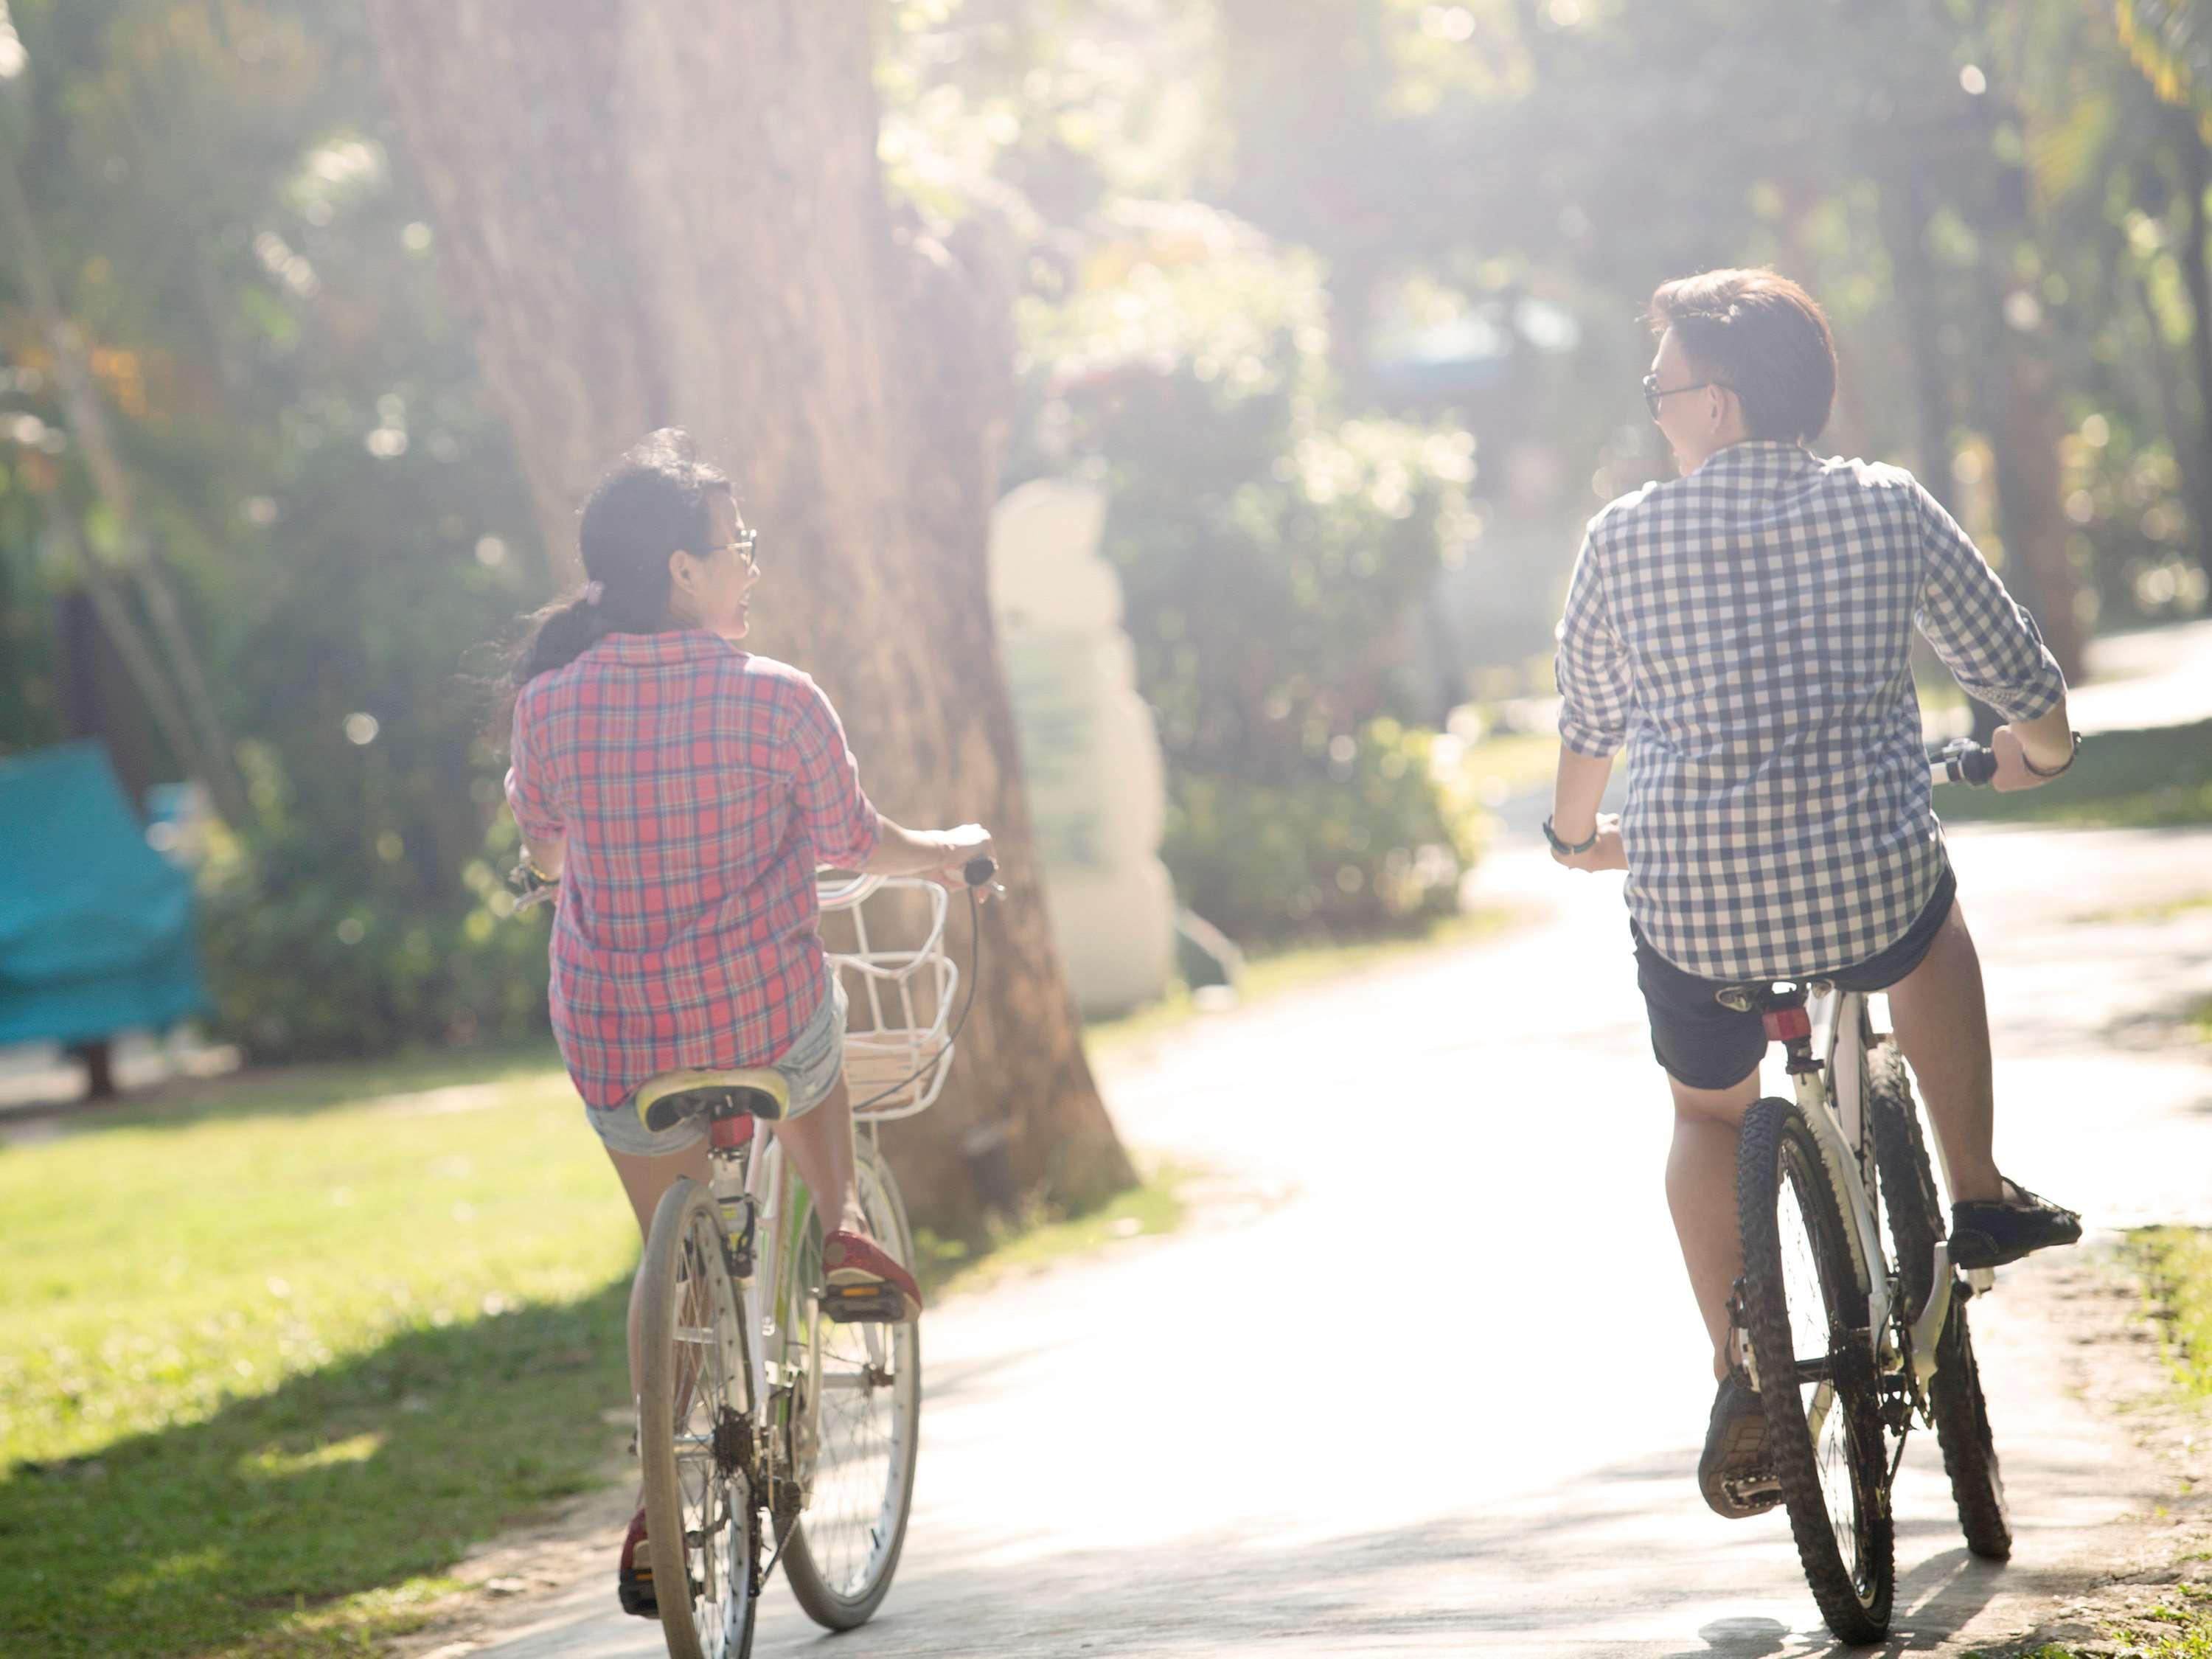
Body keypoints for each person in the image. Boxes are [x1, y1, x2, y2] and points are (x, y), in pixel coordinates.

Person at [1544, 269, 2082, 1521]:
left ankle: (1744, 1364)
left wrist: (1576, 839)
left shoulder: (1624, 537)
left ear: (1720, 404)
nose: (1657, 411)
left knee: (1706, 1118)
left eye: (1663, 388)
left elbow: (1589, 734)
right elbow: (2020, 679)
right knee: (1934, 928)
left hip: (1694, 905)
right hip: (1868, 883)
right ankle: (1980, 1193)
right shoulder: (1886, 507)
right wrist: (2043, 756)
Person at [500, 428, 992, 1615]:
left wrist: (564, 866)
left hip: (617, 1030)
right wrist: (946, 860)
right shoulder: (776, 697)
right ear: (680, 570)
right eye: (736, 548)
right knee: (812, 1011)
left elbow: (544, 848)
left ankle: (657, 1498)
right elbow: (849, 844)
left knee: (674, 1272)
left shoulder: (550, 703)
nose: (748, 567)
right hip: (758, 1018)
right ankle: (843, 1226)